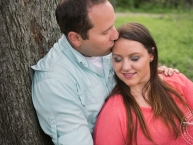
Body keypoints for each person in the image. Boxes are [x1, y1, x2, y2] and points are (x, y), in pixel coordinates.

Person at [31, 0, 179, 145]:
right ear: (76, 38)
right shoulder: (54, 81)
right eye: (106, 31)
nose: (115, 35)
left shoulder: (105, 48)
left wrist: (149, 73)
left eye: (113, 24)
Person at [93, 23, 193, 145]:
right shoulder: (113, 111)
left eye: (134, 58)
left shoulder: (177, 82)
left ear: (151, 55)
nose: (125, 67)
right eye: (118, 59)